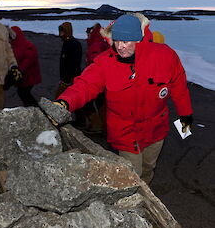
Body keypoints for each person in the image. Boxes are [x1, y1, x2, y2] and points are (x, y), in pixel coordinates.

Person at [54, 14, 193, 184]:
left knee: (148, 167)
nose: (120, 47)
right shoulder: (105, 62)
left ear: (139, 39)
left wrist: (185, 116)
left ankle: (145, 195)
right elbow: (85, 84)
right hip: (125, 131)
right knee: (132, 175)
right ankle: (133, 203)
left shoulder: (165, 56)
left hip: (156, 128)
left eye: (126, 42)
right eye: (117, 41)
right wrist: (65, 102)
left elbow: (179, 87)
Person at [83, 23, 110, 133]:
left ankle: (98, 126)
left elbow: (95, 64)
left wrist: (90, 77)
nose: (87, 35)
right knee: (102, 104)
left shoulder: (95, 46)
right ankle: (104, 126)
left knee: (92, 103)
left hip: (97, 82)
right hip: (105, 80)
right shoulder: (102, 43)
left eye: (89, 33)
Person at [7, 25, 42, 107]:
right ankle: (33, 108)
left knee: (24, 93)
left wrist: (16, 72)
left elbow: (28, 61)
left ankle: (35, 109)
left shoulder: (28, 47)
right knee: (23, 93)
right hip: (24, 77)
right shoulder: (15, 46)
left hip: (29, 77)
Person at [55, 22, 82, 98]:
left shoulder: (74, 44)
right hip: (66, 78)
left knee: (62, 98)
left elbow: (73, 64)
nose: (60, 34)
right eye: (60, 31)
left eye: (62, 31)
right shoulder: (66, 43)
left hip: (71, 79)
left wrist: (66, 80)